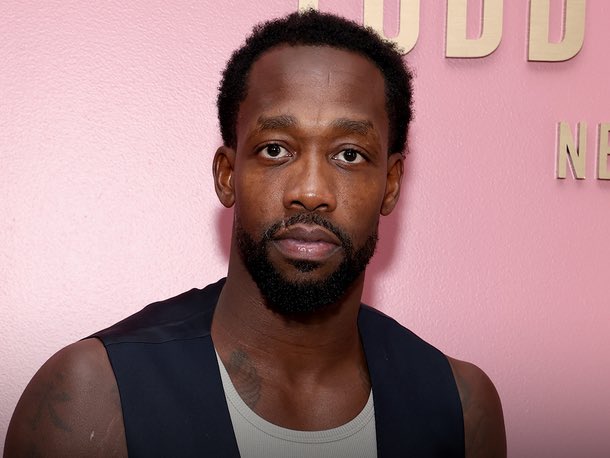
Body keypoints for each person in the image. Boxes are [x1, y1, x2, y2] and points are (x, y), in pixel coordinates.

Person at [4, 9, 506, 458]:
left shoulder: (459, 408)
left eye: (349, 154)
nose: (310, 192)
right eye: (275, 150)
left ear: (391, 185)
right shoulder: (94, 395)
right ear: (227, 175)